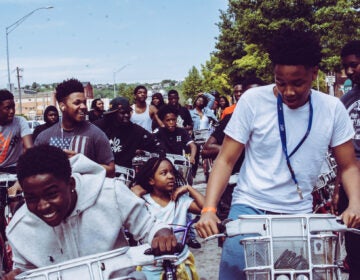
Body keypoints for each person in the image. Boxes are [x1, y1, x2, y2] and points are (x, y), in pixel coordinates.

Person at [195, 28, 360, 280]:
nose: (288, 92)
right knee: (236, 271)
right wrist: (209, 209)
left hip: (299, 216)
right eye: (280, 82)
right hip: (249, 209)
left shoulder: (332, 109)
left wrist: (356, 204)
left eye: (298, 83)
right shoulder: (252, 101)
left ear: (314, 73)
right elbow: (225, 160)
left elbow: (348, 166)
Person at [3, 145, 178, 279]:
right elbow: (26, 271)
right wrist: (16, 274)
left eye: (51, 194)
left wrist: (161, 234)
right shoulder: (19, 229)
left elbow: (149, 226)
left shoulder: (110, 193)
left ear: (71, 184)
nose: (42, 206)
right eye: (31, 198)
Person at [134, 156, 204, 280]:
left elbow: (205, 207)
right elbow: (129, 211)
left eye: (172, 172)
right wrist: (136, 193)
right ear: (151, 180)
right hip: (152, 264)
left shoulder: (180, 201)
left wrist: (189, 188)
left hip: (179, 259)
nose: (171, 176)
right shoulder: (144, 202)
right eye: (164, 173)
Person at [34, 78, 115, 177]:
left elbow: (111, 171)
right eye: (77, 103)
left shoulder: (96, 134)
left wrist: (83, 163)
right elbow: (33, 170)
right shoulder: (44, 137)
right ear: (62, 106)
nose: (83, 107)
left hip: (86, 191)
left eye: (84, 102)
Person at [337, 40, 360, 280]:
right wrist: (336, 190)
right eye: (346, 67)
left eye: (354, 65)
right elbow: (341, 155)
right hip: (351, 187)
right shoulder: (343, 103)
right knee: (354, 249)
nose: (350, 71)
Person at [94, 97, 164, 169]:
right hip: (102, 171)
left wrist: (146, 155)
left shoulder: (136, 131)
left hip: (125, 174)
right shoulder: (98, 127)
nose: (127, 115)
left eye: (128, 112)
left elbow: (157, 145)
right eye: (122, 113)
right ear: (113, 114)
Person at [0, 90, 33, 173]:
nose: (12, 111)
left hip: (14, 168)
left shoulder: (20, 121)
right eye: (7, 108)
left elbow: (30, 149)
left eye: (13, 107)